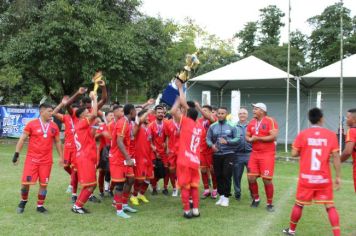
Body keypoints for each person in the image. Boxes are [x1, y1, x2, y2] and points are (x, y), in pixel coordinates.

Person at [283, 108, 341, 236]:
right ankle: (337, 234)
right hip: (323, 179)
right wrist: (338, 177)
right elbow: (336, 157)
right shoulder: (331, 135)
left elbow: (293, 153)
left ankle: (291, 231)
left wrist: (303, 150)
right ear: (321, 119)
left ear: (310, 120)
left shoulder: (303, 134)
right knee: (329, 205)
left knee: (299, 204)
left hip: (306, 178)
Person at [13, 103, 63, 214]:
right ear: (42, 112)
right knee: (26, 183)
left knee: (44, 184)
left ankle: (40, 206)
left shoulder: (54, 126)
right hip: (32, 160)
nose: (52, 113)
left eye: (52, 111)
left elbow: (58, 141)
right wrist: (16, 154)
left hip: (46, 161)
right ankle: (23, 200)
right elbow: (22, 139)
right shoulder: (32, 124)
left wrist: (61, 156)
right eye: (49, 111)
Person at [171, 80, 203, 219]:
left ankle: (186, 210)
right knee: (194, 186)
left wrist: (179, 94)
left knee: (185, 186)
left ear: (187, 115)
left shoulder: (187, 122)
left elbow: (173, 111)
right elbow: (186, 107)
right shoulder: (199, 127)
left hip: (184, 160)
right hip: (195, 161)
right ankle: (195, 210)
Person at [52, 87, 87, 202]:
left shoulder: (80, 119)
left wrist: (77, 94)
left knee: (75, 170)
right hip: (67, 147)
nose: (73, 111)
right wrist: (61, 103)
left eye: (76, 110)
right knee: (67, 167)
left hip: (77, 149)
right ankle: (75, 180)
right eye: (72, 109)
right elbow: (54, 112)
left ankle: (74, 192)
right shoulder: (66, 117)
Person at [246, 103, 278, 212]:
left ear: (262, 111)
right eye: (253, 109)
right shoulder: (251, 122)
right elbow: (247, 135)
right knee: (251, 178)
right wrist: (249, 139)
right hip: (254, 154)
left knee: (266, 180)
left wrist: (258, 138)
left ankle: (269, 203)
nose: (253, 110)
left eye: (256, 109)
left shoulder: (270, 120)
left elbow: (273, 137)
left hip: (267, 154)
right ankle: (256, 199)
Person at [71, 92, 100, 214]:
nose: (89, 112)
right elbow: (94, 114)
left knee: (91, 185)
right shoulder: (82, 123)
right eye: (86, 112)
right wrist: (94, 99)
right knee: (90, 185)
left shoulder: (82, 124)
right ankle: (77, 206)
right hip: (85, 158)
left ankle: (78, 205)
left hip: (86, 156)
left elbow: (93, 115)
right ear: (82, 116)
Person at [109, 104, 138, 219]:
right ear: (131, 111)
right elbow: (119, 142)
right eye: (135, 111)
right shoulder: (123, 123)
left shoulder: (128, 123)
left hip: (125, 157)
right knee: (120, 185)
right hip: (118, 158)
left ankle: (124, 204)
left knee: (131, 179)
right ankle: (119, 210)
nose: (136, 113)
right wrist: (128, 158)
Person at [206, 107, 239, 207]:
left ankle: (226, 197)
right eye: (219, 113)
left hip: (229, 154)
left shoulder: (232, 125)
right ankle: (221, 196)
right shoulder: (212, 126)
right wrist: (212, 145)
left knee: (226, 174)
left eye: (222, 113)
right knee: (218, 175)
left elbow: (238, 138)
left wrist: (228, 141)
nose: (220, 115)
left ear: (226, 114)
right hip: (217, 155)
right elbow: (207, 138)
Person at [130, 109, 154, 205]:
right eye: (145, 116)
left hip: (148, 156)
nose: (148, 117)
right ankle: (134, 196)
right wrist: (147, 112)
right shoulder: (137, 126)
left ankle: (141, 194)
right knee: (139, 178)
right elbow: (139, 121)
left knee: (149, 177)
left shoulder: (148, 127)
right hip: (139, 156)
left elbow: (148, 140)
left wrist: (152, 146)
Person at [195, 103, 218, 199]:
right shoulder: (198, 121)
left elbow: (211, 119)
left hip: (211, 149)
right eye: (202, 111)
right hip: (201, 149)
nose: (202, 112)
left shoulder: (213, 120)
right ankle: (206, 189)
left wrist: (199, 108)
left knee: (213, 170)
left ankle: (215, 189)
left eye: (205, 111)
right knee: (203, 170)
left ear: (210, 112)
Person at [149, 105, 169, 195]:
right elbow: (149, 140)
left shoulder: (167, 124)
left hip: (164, 152)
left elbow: (168, 136)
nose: (161, 114)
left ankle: (165, 188)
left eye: (162, 113)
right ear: (155, 114)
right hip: (154, 151)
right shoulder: (151, 125)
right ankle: (154, 188)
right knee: (153, 170)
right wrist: (154, 149)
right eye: (159, 113)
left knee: (166, 169)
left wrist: (166, 144)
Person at [233, 108, 252, 200]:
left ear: (247, 115)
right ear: (238, 115)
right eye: (240, 113)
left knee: (252, 176)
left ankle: (253, 193)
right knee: (236, 175)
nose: (242, 115)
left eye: (244, 113)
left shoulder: (252, 125)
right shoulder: (234, 126)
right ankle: (237, 193)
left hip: (250, 154)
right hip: (237, 155)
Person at [95, 111, 114, 198]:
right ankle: (101, 191)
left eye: (113, 115)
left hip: (114, 151)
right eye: (110, 115)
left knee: (113, 171)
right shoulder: (102, 126)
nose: (112, 117)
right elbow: (95, 137)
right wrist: (101, 133)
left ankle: (110, 189)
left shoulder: (116, 125)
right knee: (102, 171)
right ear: (105, 117)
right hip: (104, 151)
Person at [341, 108, 356, 192]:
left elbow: (347, 152)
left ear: (353, 119)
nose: (346, 120)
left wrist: (338, 161)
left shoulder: (352, 131)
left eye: (347, 117)